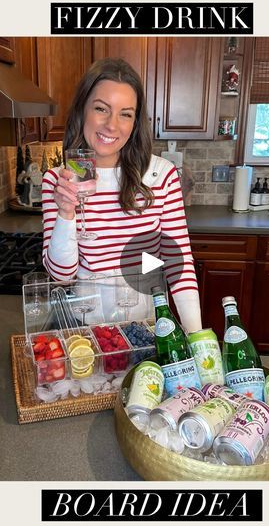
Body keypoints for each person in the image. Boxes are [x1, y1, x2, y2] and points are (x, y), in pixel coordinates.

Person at [42, 57, 202, 333]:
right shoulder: (58, 180)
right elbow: (61, 276)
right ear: (82, 110)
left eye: (125, 114)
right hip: (86, 328)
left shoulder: (161, 175)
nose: (112, 125)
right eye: (101, 109)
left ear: (135, 122)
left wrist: (196, 336)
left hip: (147, 325)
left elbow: (180, 265)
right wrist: (66, 213)